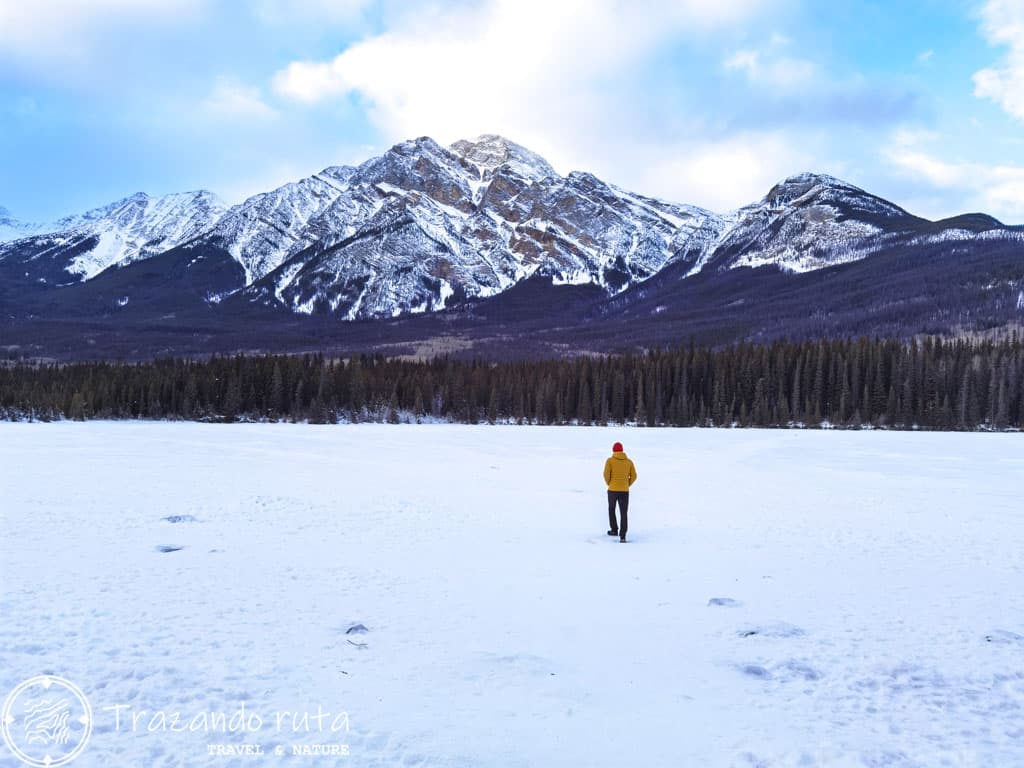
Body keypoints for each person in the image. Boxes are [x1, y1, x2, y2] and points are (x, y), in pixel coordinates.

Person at [603, 441, 637, 542]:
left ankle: (614, 530)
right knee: (623, 513)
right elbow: (634, 476)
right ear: (622, 450)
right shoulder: (629, 462)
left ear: (613, 450)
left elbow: (606, 475)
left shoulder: (609, 461)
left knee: (611, 509)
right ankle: (623, 536)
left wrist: (610, 484)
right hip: (624, 491)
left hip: (612, 490)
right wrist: (627, 484)